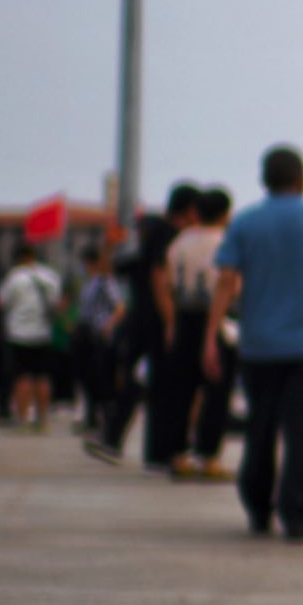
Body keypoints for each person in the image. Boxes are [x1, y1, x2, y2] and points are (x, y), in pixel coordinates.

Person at [207, 146, 303, 539]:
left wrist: (210, 337)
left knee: (260, 427)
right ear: (302, 179)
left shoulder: (244, 223)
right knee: (299, 431)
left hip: (259, 346)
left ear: (264, 180)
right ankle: (295, 513)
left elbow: (225, 281)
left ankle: (258, 507)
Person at [85, 183, 201, 467]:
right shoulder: (169, 236)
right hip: (159, 321)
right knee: (163, 387)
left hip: (138, 321)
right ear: (189, 210)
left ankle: (113, 439)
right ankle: (160, 452)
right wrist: (171, 321)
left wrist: (109, 244)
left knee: (135, 383)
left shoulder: (148, 244)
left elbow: (104, 269)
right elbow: (159, 276)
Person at [158, 187, 235, 480]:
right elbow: (232, 284)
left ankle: (178, 454)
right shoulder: (224, 242)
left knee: (182, 390)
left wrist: (171, 323)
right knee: (217, 391)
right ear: (225, 213)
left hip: (183, 317)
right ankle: (208, 455)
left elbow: (166, 283)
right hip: (217, 320)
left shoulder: (179, 242)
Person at [2, 245, 65, 431]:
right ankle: (42, 420)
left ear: (21, 257)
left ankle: (24, 420)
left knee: (22, 377)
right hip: (43, 333)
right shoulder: (50, 276)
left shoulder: (15, 277)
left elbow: (3, 302)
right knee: (43, 377)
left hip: (19, 334)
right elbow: (58, 304)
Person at [72, 244, 127, 437]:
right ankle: (91, 417)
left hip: (98, 336)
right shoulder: (89, 283)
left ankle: (104, 417)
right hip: (85, 333)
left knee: (100, 378)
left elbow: (120, 308)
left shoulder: (105, 282)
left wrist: (107, 326)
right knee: (86, 377)